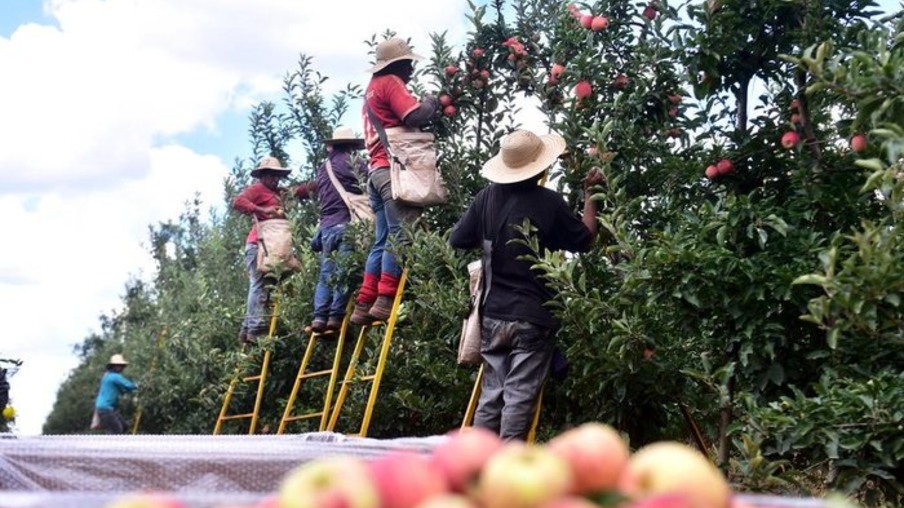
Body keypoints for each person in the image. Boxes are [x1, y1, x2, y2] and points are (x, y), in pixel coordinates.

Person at [448, 129, 605, 441]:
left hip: (494, 314)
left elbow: (457, 239)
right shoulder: (548, 202)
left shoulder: (486, 198)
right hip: (533, 315)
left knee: (492, 393)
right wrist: (591, 195)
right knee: (519, 395)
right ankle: (509, 466)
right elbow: (585, 238)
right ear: (540, 167)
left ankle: (479, 461)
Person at [350, 37, 440, 325]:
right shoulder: (390, 82)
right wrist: (432, 101)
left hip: (376, 174)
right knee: (400, 238)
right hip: (394, 172)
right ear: (397, 64)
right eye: (409, 63)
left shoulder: (370, 90)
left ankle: (364, 303)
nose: (412, 69)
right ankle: (386, 299)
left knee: (381, 240)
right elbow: (415, 116)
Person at [295, 127, 369, 333]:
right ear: (352, 146)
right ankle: (335, 317)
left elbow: (309, 189)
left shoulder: (323, 168)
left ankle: (319, 317)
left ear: (332, 146)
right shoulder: (353, 163)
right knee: (345, 271)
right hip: (346, 224)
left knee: (327, 274)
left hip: (326, 228)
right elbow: (370, 179)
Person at [232, 156, 305, 344]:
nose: (275, 178)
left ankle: (247, 329)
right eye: (271, 175)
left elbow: (299, 191)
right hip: (259, 245)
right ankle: (255, 327)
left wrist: (317, 183)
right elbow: (238, 201)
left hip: (271, 246)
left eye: (277, 175)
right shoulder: (257, 190)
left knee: (266, 284)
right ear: (263, 175)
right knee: (258, 283)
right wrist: (261, 210)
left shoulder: (279, 193)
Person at [93, 354, 137, 434]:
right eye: (119, 365)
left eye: (122, 365)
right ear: (113, 366)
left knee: (124, 427)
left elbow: (124, 390)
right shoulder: (115, 376)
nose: (121, 367)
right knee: (117, 430)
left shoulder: (108, 376)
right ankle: (112, 446)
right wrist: (140, 385)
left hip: (108, 409)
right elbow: (129, 386)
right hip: (106, 409)